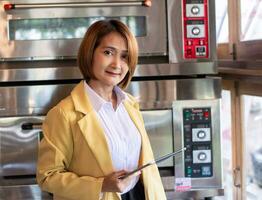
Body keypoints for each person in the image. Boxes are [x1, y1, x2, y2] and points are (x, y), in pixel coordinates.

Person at [37, 19, 166, 200]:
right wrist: (101, 185)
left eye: (124, 56)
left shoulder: (130, 104)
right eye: (108, 52)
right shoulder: (63, 114)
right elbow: (47, 177)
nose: (117, 64)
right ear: (90, 53)